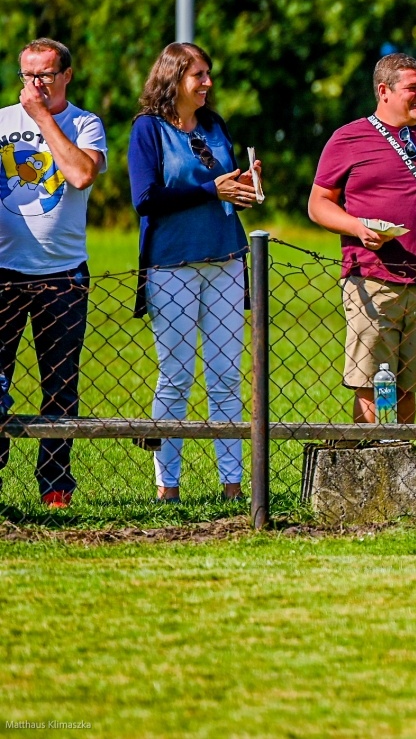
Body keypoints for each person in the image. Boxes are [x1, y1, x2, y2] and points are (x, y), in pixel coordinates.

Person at [308, 53, 416, 424]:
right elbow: (318, 204)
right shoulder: (348, 138)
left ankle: (399, 471)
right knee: (371, 382)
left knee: (406, 385)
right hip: (373, 278)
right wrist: (356, 227)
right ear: (384, 91)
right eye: (412, 88)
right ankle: (369, 465)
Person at [129, 43, 262, 503]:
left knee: (227, 375)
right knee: (177, 374)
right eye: (198, 75)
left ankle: (232, 485)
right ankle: (168, 487)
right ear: (173, 78)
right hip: (172, 265)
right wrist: (213, 189)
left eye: (208, 74)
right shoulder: (148, 129)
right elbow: (146, 198)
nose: (207, 83)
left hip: (226, 259)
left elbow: (222, 187)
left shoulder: (214, 125)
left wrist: (243, 185)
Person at [0, 39, 106, 509]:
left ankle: (55, 486)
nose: (34, 85)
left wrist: (43, 118)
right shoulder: (1, 121)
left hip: (63, 274)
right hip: (4, 271)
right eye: (27, 76)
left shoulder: (85, 124)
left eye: (44, 75)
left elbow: (82, 175)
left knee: (60, 383)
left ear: (66, 75)